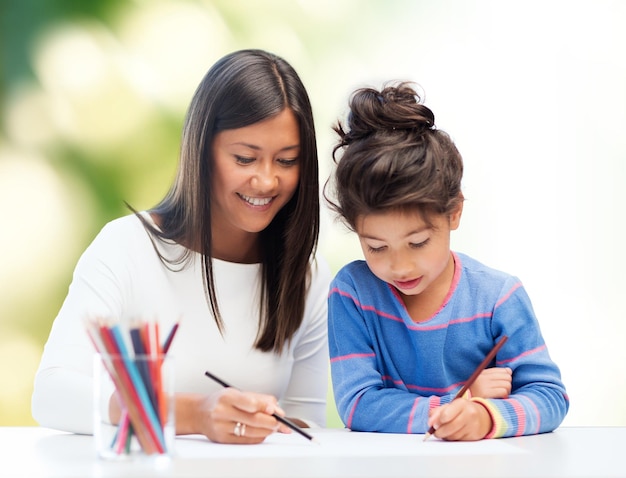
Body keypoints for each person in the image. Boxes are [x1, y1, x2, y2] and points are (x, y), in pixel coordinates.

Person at [32, 49, 331, 445]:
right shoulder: (127, 247)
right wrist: (193, 414)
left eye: (287, 161)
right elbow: (52, 395)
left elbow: (304, 425)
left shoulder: (306, 273)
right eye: (245, 158)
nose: (266, 181)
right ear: (202, 150)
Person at [324, 82, 569, 440]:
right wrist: (457, 401)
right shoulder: (353, 294)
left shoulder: (498, 297)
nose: (401, 266)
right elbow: (358, 404)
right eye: (376, 247)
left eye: (418, 242)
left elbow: (549, 397)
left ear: (454, 213)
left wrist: (486, 416)